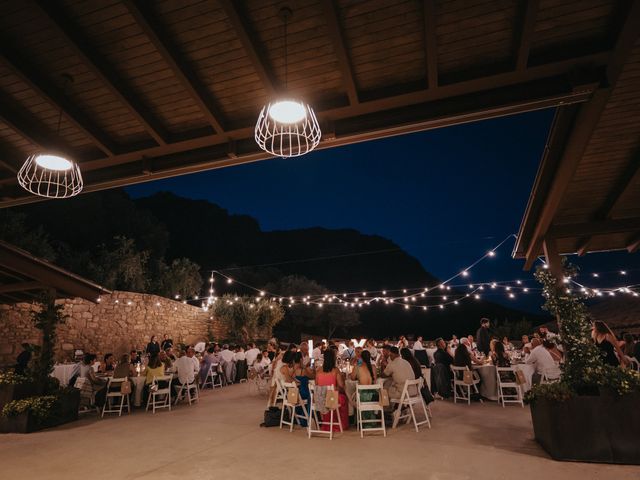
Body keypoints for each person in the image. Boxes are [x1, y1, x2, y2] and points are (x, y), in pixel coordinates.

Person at [314, 347, 348, 431]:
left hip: (320, 399)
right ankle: (340, 424)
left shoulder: (318, 370)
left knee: (336, 397)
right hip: (331, 399)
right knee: (343, 398)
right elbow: (341, 385)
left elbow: (316, 385)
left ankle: (327, 422)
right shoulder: (335, 370)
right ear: (333, 358)